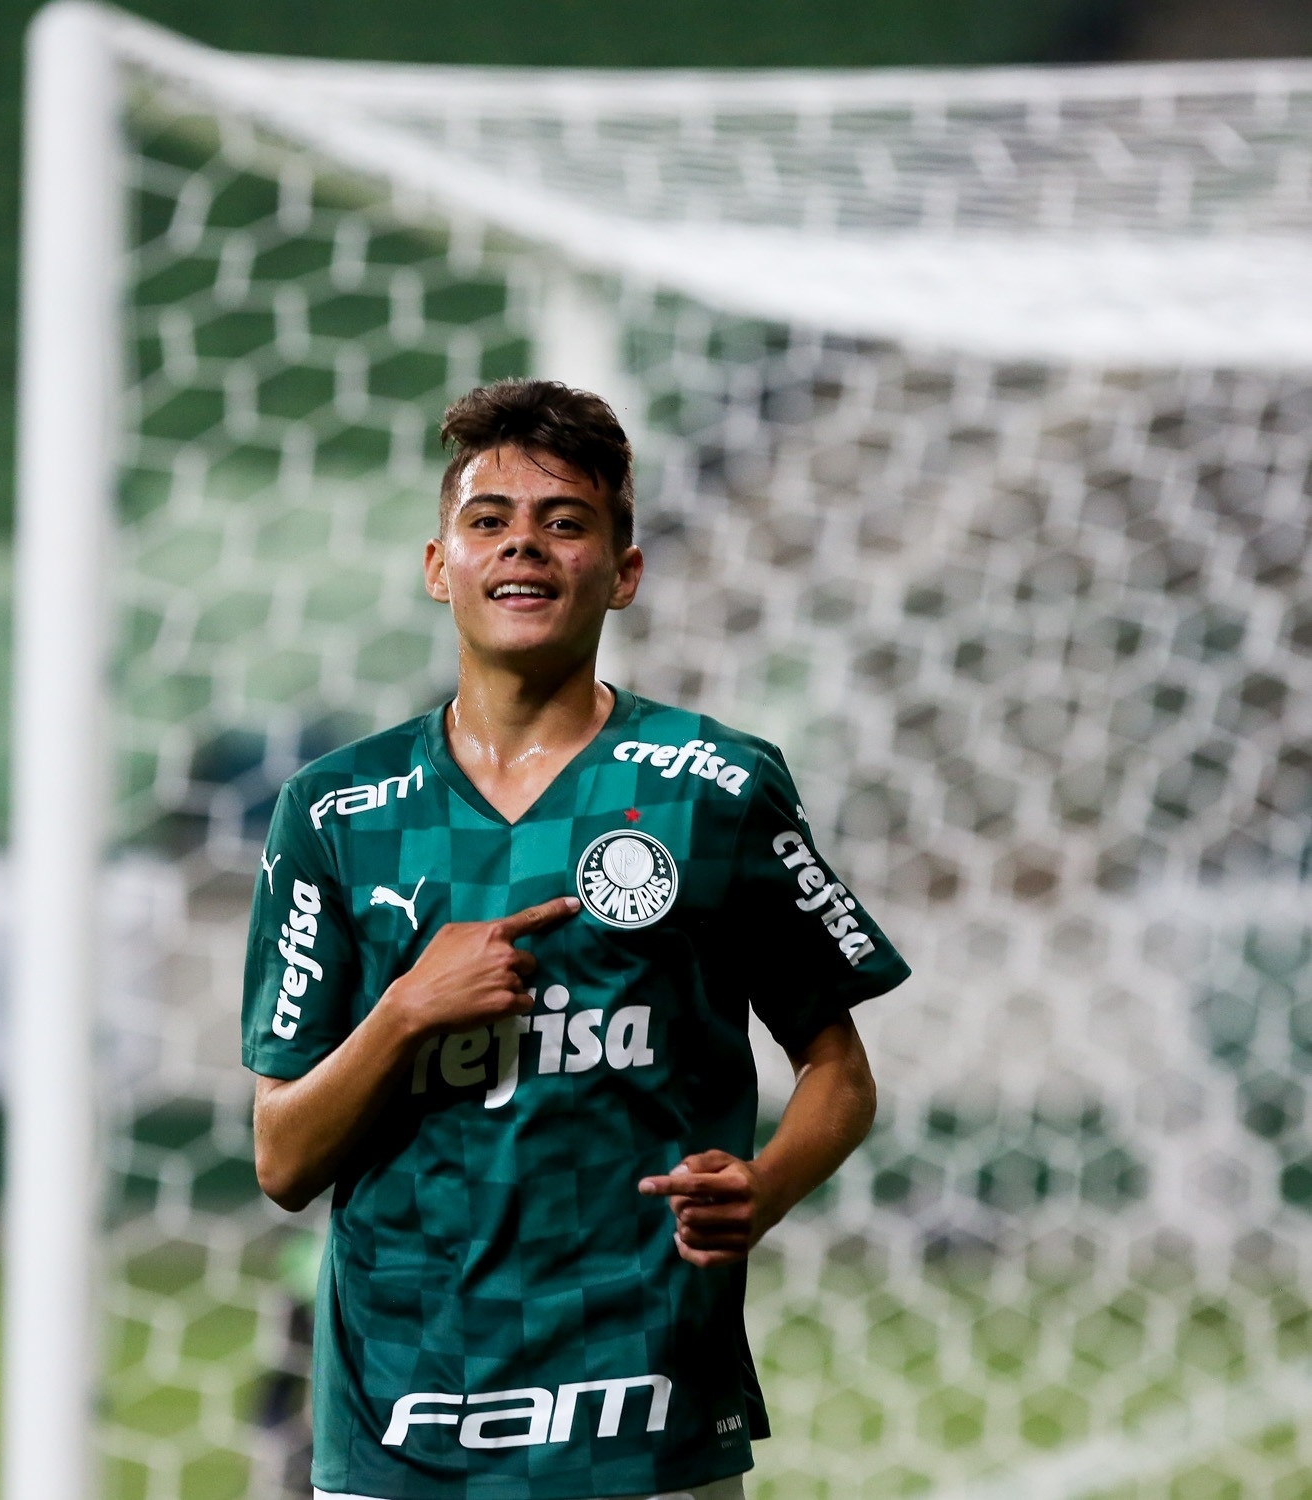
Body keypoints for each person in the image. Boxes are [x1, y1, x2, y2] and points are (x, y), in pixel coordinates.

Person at [243, 378, 910, 1500]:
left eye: (566, 522)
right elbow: (282, 1158)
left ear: (624, 571)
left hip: (642, 1409)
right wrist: (408, 1008)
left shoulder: (716, 789)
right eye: (489, 521)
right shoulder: (335, 811)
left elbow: (838, 1072)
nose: (526, 548)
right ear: (438, 564)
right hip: (402, 1425)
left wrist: (769, 1185)